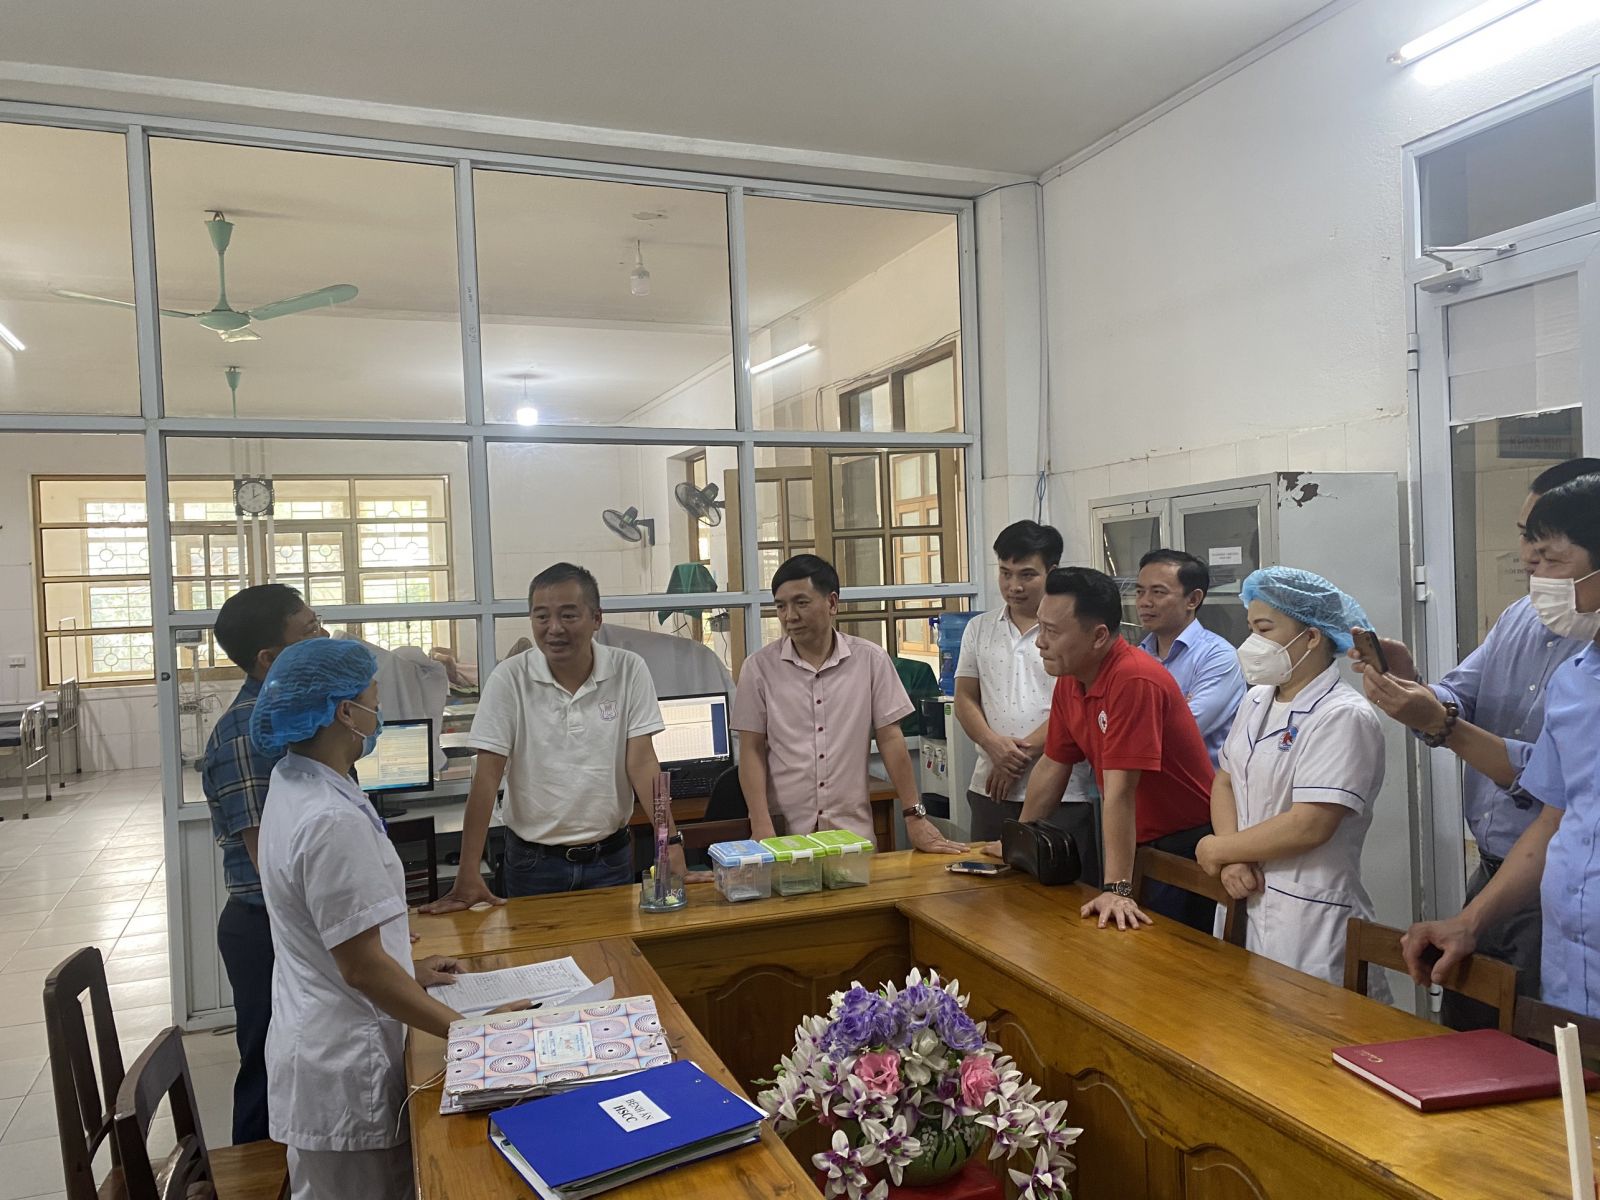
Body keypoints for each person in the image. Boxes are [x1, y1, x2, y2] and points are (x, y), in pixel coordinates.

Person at [1357, 457, 1600, 1025]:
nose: (1532, 564)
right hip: (1519, 888)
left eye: (1551, 556)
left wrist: (1445, 726)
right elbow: (1557, 814)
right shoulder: (1567, 662)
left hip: (1547, 906)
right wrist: (1413, 688)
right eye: (1527, 543)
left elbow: (1539, 786)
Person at [250, 637, 468, 1199]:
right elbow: (362, 968)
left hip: (321, 1037)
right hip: (345, 1060)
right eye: (374, 698)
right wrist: (472, 1033)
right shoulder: (329, 818)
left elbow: (332, 932)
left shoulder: (297, 780)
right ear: (346, 713)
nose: (380, 710)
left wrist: (407, 969)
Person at [422, 563, 682, 911]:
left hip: (611, 858)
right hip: (533, 864)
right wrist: (468, 870)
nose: (554, 628)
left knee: (617, 946)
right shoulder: (509, 679)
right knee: (534, 948)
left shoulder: (628, 669)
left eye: (568, 615)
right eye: (541, 616)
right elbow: (486, 778)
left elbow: (643, 763)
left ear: (596, 618)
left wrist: (670, 843)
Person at [1193, 568, 1387, 992]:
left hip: (1309, 916)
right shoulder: (1256, 699)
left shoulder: (1343, 715)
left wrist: (1218, 848)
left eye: (1264, 629)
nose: (1252, 642)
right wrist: (1233, 857)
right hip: (1243, 892)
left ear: (1312, 637)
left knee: (1310, 1024)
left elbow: (1310, 824)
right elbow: (1225, 781)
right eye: (1251, 629)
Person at [1016, 567, 1215, 931]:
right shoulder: (1072, 678)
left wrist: (1116, 889)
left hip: (1182, 845)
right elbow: (1053, 764)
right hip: (1135, 840)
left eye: (1052, 632)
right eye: (1040, 628)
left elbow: (1121, 790)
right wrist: (1019, 843)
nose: (1040, 642)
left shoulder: (1133, 679)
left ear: (1098, 636)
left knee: (1165, 951)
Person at [199, 584, 325, 1145]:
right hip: (269, 925)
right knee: (270, 1061)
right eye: (310, 631)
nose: (325, 637)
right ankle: (254, 1172)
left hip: (297, 918)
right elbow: (268, 862)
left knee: (302, 1057)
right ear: (270, 659)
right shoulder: (247, 731)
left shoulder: (293, 716)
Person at [733, 554, 965, 854]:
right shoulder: (759, 668)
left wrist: (914, 815)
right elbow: (751, 749)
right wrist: (760, 822)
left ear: (832, 603)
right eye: (781, 606)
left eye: (801, 603)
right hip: (785, 837)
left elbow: (890, 739)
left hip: (852, 836)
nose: (789, 616)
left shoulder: (870, 660)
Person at [954, 520, 1095, 851]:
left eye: (1027, 575)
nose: (1013, 586)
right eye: (1005, 573)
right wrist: (993, 746)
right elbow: (964, 698)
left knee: (1060, 880)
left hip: (1064, 791)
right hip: (991, 787)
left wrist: (1017, 756)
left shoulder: (1073, 630)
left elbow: (1078, 704)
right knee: (989, 875)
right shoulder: (979, 627)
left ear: (1052, 572)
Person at [1135, 549, 1247, 767]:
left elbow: (1182, 731)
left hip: (1204, 786)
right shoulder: (1138, 656)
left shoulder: (1217, 657)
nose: (1144, 602)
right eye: (1140, 592)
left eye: (1158, 592)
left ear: (1193, 599)